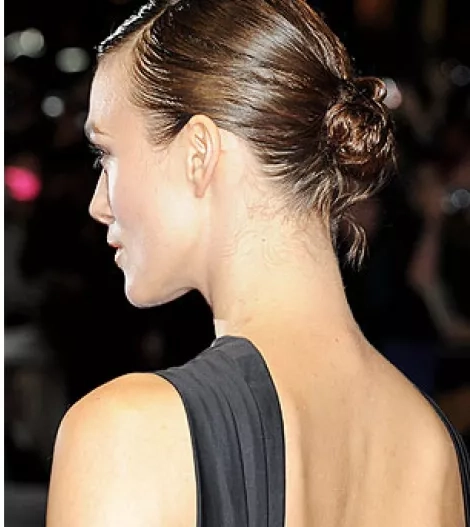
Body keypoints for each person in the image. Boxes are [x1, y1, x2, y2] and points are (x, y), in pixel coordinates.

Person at [46, 0, 469, 525]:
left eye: (106, 155)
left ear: (198, 153)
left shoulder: (133, 434)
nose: (97, 203)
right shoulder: (434, 446)